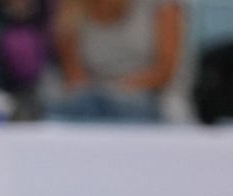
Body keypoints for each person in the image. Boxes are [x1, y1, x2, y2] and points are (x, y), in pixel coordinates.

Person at [46, 0, 185, 122]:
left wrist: (120, 90)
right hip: (92, 99)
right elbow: (74, 75)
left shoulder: (162, 4)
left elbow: (165, 71)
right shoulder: (72, 8)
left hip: (150, 96)